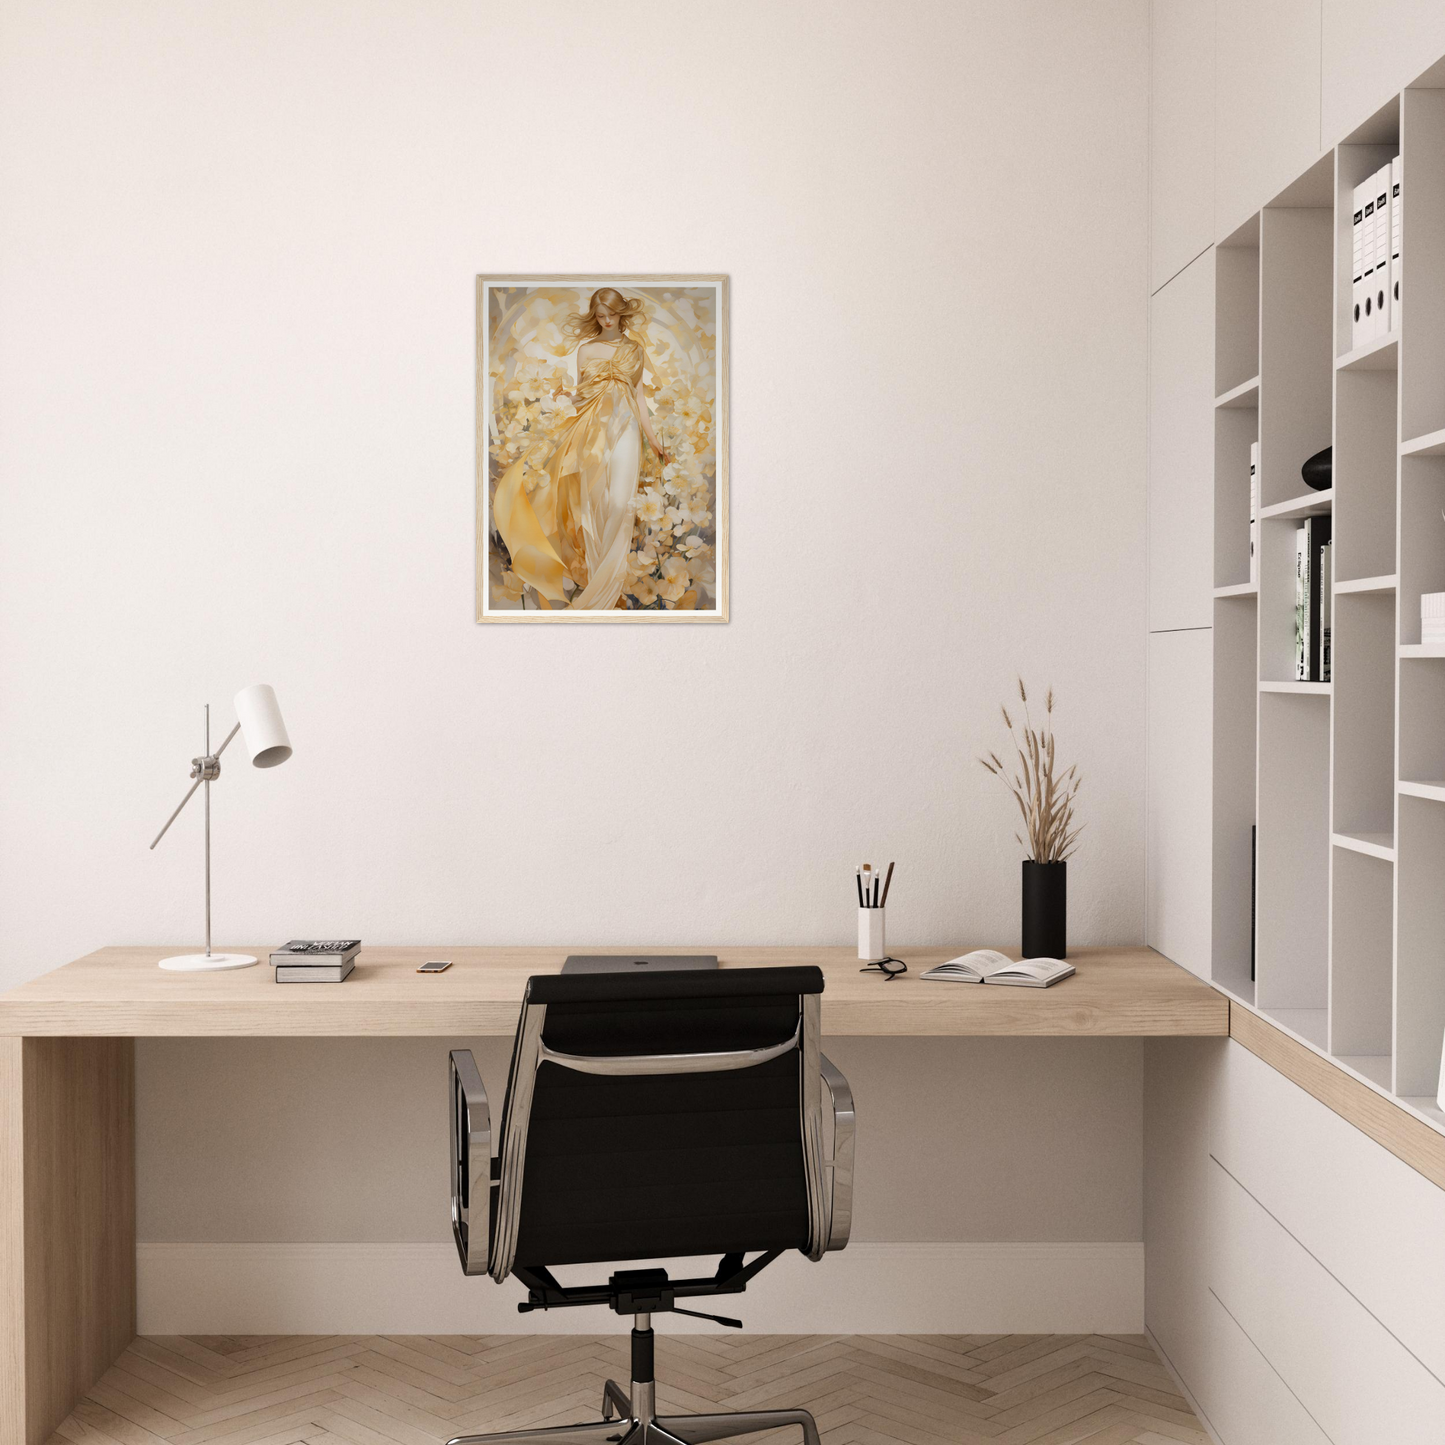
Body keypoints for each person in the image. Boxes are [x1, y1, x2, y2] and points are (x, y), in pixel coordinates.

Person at [492, 289, 669, 610]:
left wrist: (654, 439)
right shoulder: (587, 351)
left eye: (611, 315)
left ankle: (606, 588)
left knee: (620, 502)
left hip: (627, 426)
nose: (605, 321)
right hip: (593, 429)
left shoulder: (635, 350)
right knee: (595, 502)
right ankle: (600, 582)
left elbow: (640, 398)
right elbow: (582, 394)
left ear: (620, 314)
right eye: (600, 316)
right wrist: (559, 399)